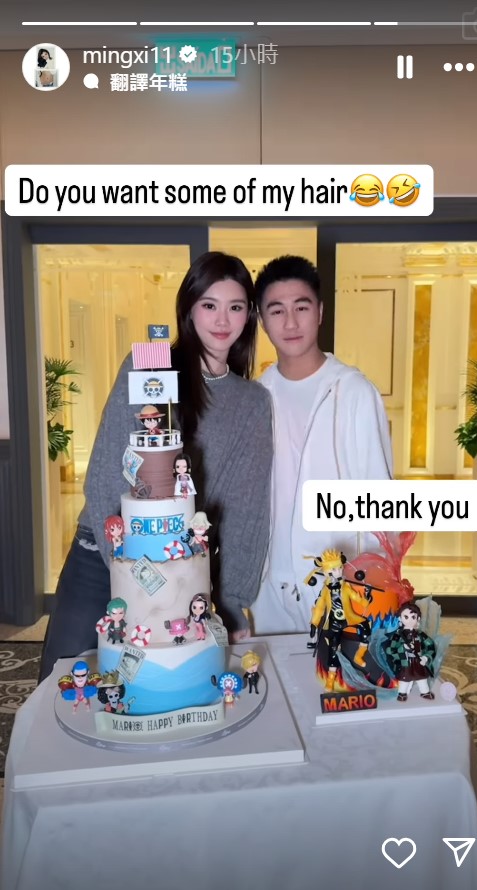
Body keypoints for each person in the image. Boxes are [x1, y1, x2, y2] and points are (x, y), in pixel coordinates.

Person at [39, 251, 273, 681]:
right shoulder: (148, 366)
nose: (223, 319)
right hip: (103, 558)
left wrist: (233, 598)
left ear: (249, 316)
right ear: (188, 309)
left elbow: (246, 511)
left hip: (185, 571)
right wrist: (129, 572)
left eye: (236, 307)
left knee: (163, 687)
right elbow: (106, 473)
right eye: (209, 304)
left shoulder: (252, 403)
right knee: (67, 680)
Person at [251, 255, 393, 635]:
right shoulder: (256, 397)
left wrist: (377, 584)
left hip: (341, 585)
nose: (290, 322)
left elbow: (381, 496)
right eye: (277, 310)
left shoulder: (353, 392)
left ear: (320, 312)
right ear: (262, 320)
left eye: (301, 307)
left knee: (338, 674)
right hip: (272, 588)